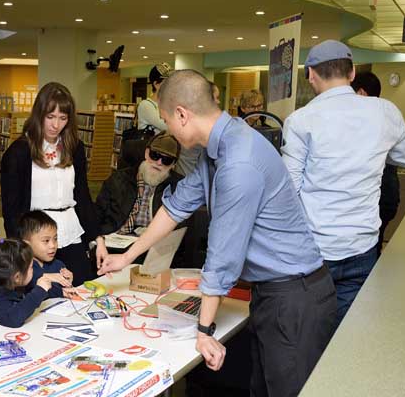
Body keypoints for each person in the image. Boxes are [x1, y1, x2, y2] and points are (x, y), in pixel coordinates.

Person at [98, 69, 336, 397]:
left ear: (182, 115)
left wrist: (204, 329)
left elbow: (222, 256)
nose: (167, 128)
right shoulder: (220, 146)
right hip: (274, 292)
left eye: (167, 120)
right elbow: (175, 207)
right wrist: (126, 256)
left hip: (294, 298)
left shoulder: (238, 163)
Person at [282, 40, 405, 326]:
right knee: (349, 336)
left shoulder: (300, 121)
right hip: (362, 247)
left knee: (309, 336)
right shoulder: (384, 112)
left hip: (314, 252)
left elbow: (289, 191)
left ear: (311, 75)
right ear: (352, 74)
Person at [0, 82, 107, 288]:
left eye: (62, 118)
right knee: (44, 299)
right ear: (38, 114)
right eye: (50, 117)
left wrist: (98, 239)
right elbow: (11, 211)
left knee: (82, 290)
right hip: (36, 239)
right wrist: (21, 252)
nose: (55, 125)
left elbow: (83, 197)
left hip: (70, 231)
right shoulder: (19, 152)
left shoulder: (74, 148)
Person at [351, 71, 401, 258]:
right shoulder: (387, 116)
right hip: (387, 197)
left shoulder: (363, 122)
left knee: (368, 251)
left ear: (361, 93)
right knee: (374, 246)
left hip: (374, 201)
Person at [95, 132, 182, 236]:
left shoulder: (178, 188)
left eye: (167, 160)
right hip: (116, 236)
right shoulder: (118, 179)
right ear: (146, 153)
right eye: (155, 155)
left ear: (173, 164)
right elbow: (97, 214)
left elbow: (180, 228)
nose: (159, 162)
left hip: (153, 242)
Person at [0, 238, 52, 328]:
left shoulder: (6, 281)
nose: (34, 268)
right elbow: (13, 319)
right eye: (31, 267)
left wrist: (61, 291)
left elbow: (40, 285)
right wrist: (39, 291)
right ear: (17, 277)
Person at [18, 210, 77, 298]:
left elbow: (58, 293)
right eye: (46, 241)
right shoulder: (22, 267)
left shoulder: (58, 265)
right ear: (27, 244)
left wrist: (67, 283)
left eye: (55, 239)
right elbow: (30, 280)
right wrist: (45, 277)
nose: (53, 245)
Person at [175, 80, 220, 176]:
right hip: (191, 179)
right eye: (216, 98)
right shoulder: (200, 124)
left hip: (182, 175)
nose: (218, 101)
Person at [137, 62, 173, 134]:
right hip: (151, 144)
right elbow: (167, 126)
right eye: (167, 82)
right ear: (156, 84)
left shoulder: (167, 104)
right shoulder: (146, 105)